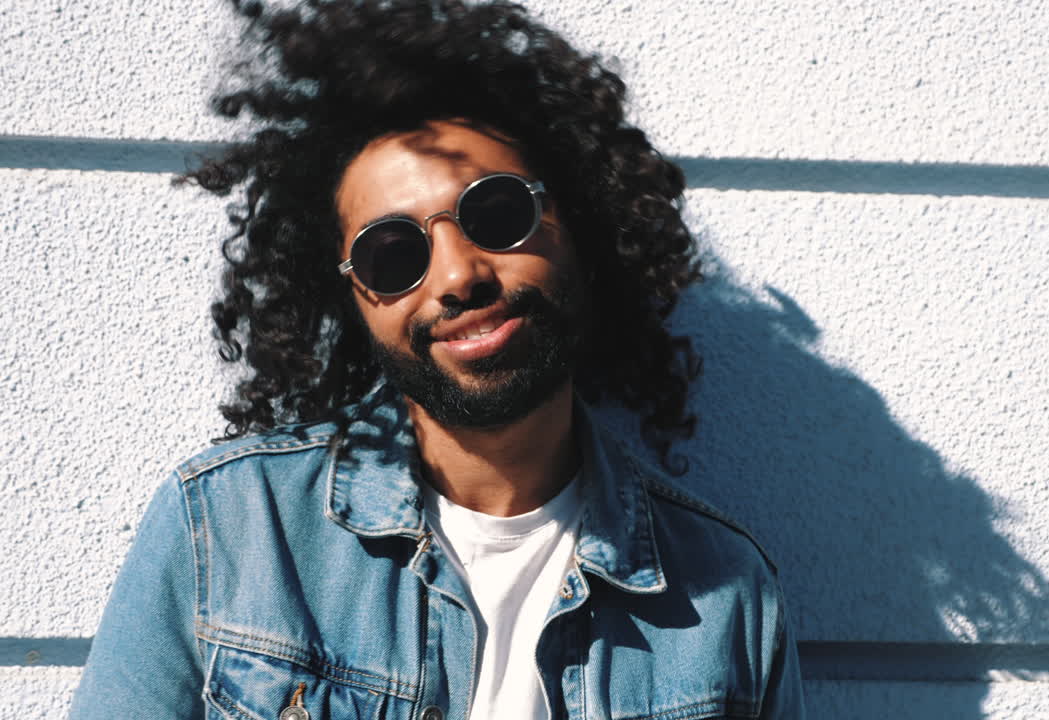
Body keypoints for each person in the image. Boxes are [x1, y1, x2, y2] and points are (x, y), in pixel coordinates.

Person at [71, 1, 804, 718]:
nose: (458, 277)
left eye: (496, 215)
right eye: (393, 255)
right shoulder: (229, 531)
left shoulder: (727, 595)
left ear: (582, 225)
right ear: (349, 302)